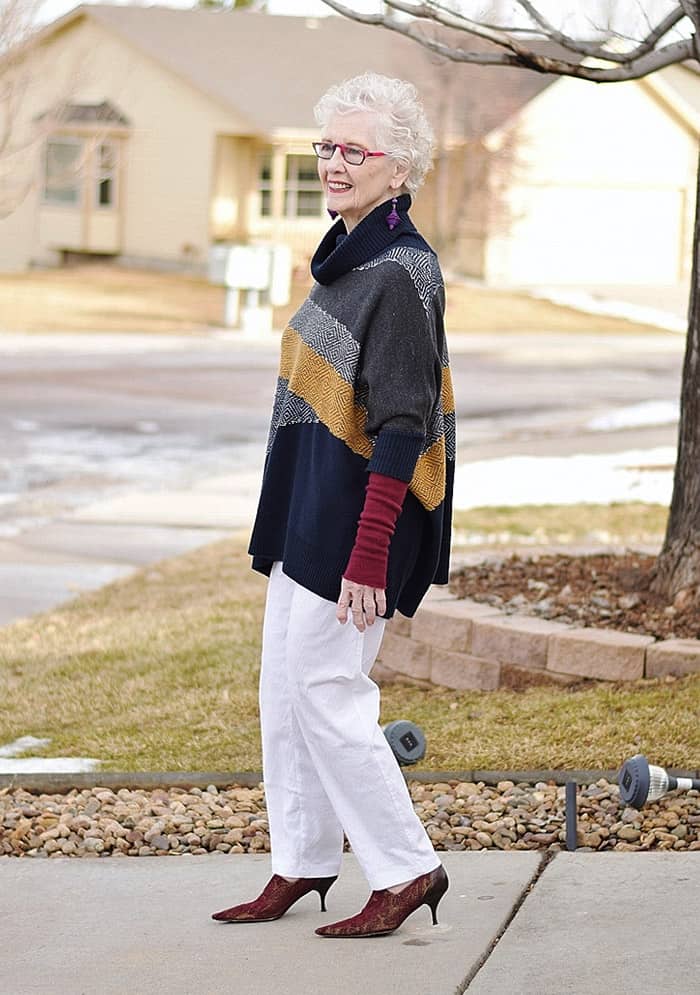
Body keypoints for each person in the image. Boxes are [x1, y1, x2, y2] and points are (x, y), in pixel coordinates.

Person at [211, 72, 455, 939]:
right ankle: (304, 856)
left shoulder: (400, 272)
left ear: (402, 169)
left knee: (328, 690)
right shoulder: (343, 260)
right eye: (327, 147)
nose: (335, 163)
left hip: (362, 522)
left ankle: (407, 866)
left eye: (357, 150)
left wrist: (369, 553)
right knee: (285, 689)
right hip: (311, 513)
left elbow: (402, 423)